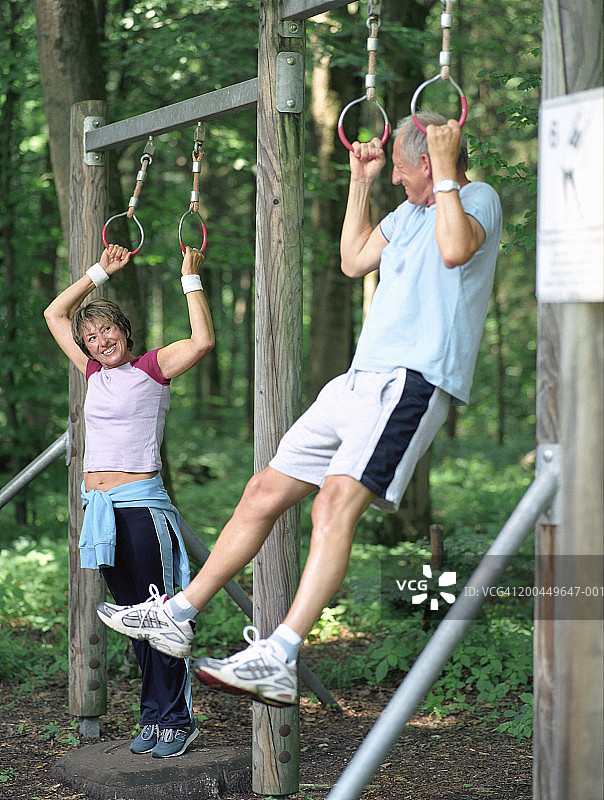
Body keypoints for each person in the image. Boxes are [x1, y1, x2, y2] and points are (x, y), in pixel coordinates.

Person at [96, 112, 502, 709]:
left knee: (335, 501)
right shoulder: (409, 210)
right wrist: (359, 181)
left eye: (399, 169)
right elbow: (354, 259)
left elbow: (454, 250)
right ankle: (179, 614)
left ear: (433, 160)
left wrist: (443, 169)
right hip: (358, 380)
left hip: (412, 381)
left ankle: (279, 654)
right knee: (262, 491)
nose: (395, 181)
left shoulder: (475, 199)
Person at [44, 243, 214, 756]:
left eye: (107, 330)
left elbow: (203, 341)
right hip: (101, 513)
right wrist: (99, 271)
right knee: (135, 619)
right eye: (90, 337)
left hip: (141, 507)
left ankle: (178, 721)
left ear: (124, 329)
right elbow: (56, 313)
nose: (99, 341)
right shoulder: (94, 374)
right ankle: (153, 718)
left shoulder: (152, 368)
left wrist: (190, 276)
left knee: (162, 618)